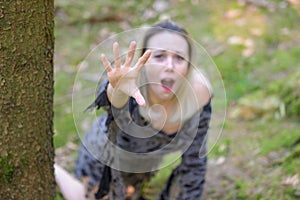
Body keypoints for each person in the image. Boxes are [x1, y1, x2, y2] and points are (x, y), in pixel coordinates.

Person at [55, 20, 212, 200]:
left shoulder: (198, 95)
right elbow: (112, 102)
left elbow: (194, 161)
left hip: (143, 170)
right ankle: (55, 169)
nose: (170, 66)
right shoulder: (132, 87)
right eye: (159, 56)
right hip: (103, 163)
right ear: (144, 61)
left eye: (179, 58)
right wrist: (118, 89)